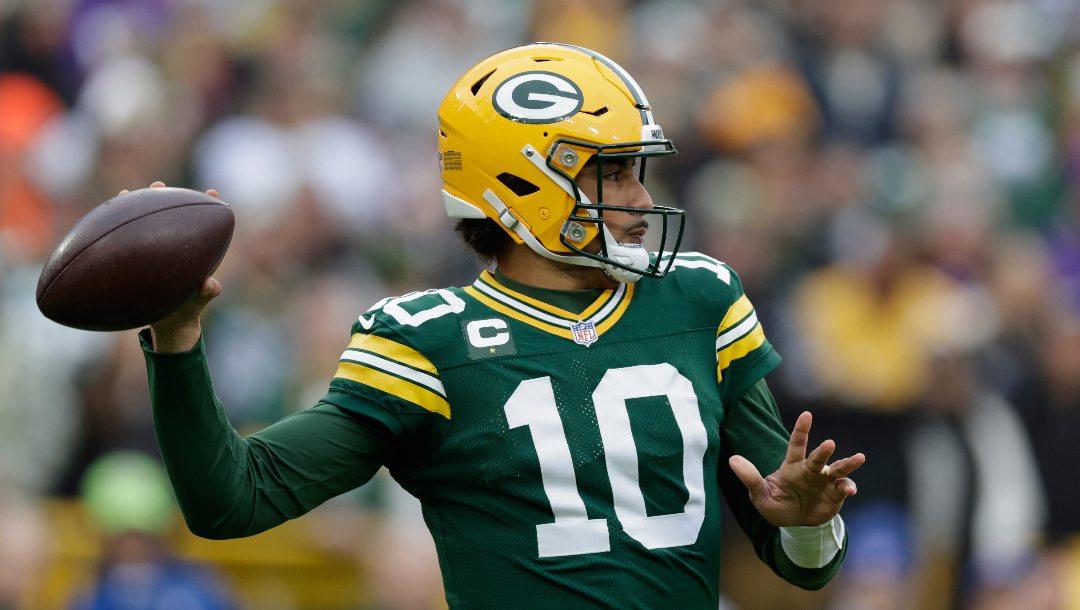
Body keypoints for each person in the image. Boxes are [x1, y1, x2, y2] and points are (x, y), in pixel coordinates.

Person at [137, 43, 865, 609]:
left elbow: (806, 566)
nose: (642, 199)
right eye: (613, 173)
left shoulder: (698, 300)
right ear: (525, 184)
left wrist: (806, 523)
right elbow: (233, 499)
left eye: (637, 171)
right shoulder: (427, 341)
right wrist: (176, 343)